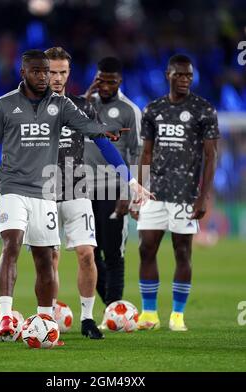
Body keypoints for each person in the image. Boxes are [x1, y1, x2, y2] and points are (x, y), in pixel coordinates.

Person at [0, 49, 133, 339]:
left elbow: (93, 131)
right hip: (24, 186)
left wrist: (115, 151)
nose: (50, 77)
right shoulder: (5, 105)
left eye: (57, 72)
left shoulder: (70, 105)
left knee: (66, 256)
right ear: (24, 72)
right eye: (45, 71)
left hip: (65, 189)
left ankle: (62, 320)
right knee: (17, 246)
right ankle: (11, 315)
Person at [44, 47, 149, 339]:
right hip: (44, 188)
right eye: (51, 71)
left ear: (69, 73)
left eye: (62, 72)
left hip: (79, 186)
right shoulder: (27, 107)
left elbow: (107, 145)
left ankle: (88, 319)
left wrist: (132, 182)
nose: (57, 77)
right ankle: (43, 315)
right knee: (49, 258)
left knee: (88, 253)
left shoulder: (82, 106)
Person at [131, 54, 219, 331]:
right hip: (154, 192)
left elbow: (211, 155)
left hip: (185, 195)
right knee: (146, 249)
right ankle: (149, 314)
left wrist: (203, 195)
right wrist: (139, 189)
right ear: (168, 75)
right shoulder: (153, 110)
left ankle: (177, 315)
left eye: (188, 76)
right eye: (179, 75)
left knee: (182, 251)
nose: (184, 80)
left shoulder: (203, 110)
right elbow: (145, 153)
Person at [84, 57, 142, 328]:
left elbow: (138, 153)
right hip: (81, 188)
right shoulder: (86, 105)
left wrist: (129, 193)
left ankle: (113, 308)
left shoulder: (130, 110)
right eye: (101, 80)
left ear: (120, 81)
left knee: (113, 253)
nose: (106, 86)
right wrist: (87, 95)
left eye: (112, 81)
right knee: (89, 253)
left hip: (113, 189)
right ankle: (114, 310)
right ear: (96, 78)